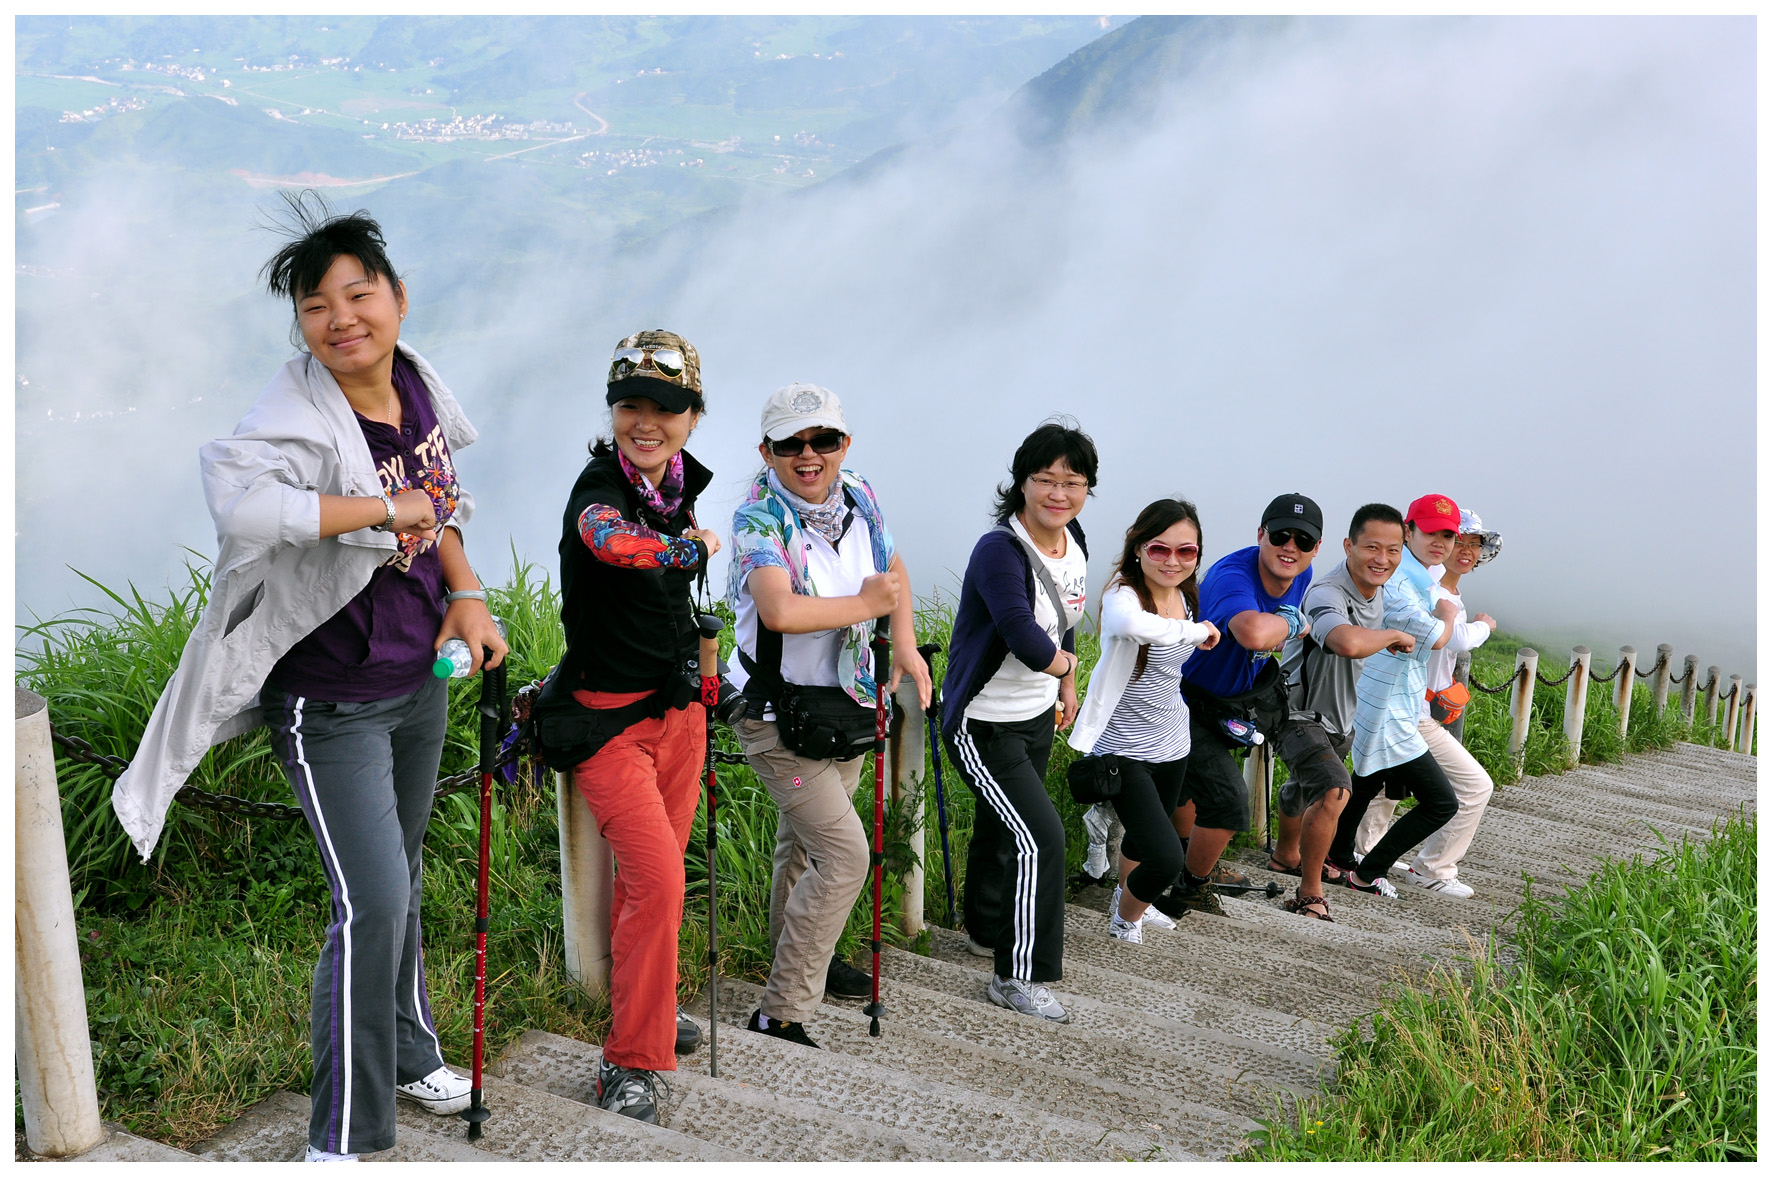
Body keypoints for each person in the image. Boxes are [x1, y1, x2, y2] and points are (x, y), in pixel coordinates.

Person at [111, 195, 507, 1162]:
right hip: (329, 702)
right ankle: (343, 1137)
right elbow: (240, 503)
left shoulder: (413, 385)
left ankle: (411, 1052)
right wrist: (375, 502)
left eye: (357, 294)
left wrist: (467, 593)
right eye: (315, 305)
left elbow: (441, 497)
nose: (340, 319)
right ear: (299, 325)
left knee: (401, 879)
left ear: (399, 300)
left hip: (418, 678)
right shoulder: (293, 409)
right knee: (369, 904)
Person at [727, 383, 932, 1048]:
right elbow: (778, 609)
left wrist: (902, 639)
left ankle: (799, 951)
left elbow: (892, 562)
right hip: (774, 714)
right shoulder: (758, 520)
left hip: (841, 703)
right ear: (767, 451)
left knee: (805, 847)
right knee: (845, 856)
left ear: (845, 444)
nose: (808, 455)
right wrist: (871, 605)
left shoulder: (859, 495)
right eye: (791, 443)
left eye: (824, 440)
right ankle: (781, 1007)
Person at [551, 329, 721, 1124]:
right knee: (655, 879)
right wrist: (685, 548)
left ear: (692, 416)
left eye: (666, 407)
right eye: (630, 405)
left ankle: (648, 1012)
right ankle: (630, 1059)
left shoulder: (673, 484)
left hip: (678, 711)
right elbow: (610, 544)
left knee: (658, 882)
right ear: (612, 410)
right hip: (607, 725)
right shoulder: (603, 491)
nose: (645, 421)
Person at [940, 422, 1096, 1022]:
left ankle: (984, 929)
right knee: (1041, 836)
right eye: (1045, 480)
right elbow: (1025, 635)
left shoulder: (1072, 538)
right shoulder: (999, 550)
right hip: (983, 723)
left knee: (1002, 827)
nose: (1059, 493)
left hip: (1033, 714)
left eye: (1073, 482)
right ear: (1021, 482)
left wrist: (1067, 681)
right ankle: (1018, 976)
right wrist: (1060, 663)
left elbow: (1067, 617)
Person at [1068, 499, 1220, 943]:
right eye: (1160, 549)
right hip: (1122, 747)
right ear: (1138, 548)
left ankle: (1131, 900)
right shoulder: (1123, 594)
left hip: (1172, 740)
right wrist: (1197, 631)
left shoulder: (1185, 595)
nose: (1173, 561)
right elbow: (1133, 626)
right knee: (1166, 855)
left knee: (1140, 839)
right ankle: (1125, 919)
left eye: (1186, 552)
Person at [1166, 494, 1322, 916]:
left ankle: (1185, 864)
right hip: (1180, 697)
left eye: (1303, 541)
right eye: (1281, 535)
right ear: (1261, 535)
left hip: (1225, 700)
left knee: (1188, 788)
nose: (1290, 546)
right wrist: (1294, 623)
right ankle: (1190, 887)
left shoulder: (1299, 576)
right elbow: (1254, 632)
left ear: (1316, 549)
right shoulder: (1232, 577)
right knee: (1228, 801)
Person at [1269, 504, 1421, 921]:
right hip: (1295, 714)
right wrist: (1388, 635)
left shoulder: (1377, 591)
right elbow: (1344, 642)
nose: (1382, 559)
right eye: (1371, 547)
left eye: (1393, 550)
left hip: (1338, 717)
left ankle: (1284, 856)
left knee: (1304, 789)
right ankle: (1310, 892)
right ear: (1348, 545)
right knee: (1336, 791)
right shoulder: (1326, 593)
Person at [1353, 507, 1502, 898]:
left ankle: (1365, 854)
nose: (1464, 550)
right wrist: (1484, 626)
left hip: (1409, 707)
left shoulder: (1437, 591)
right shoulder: (1428, 591)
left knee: (1384, 783)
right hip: (1406, 709)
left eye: (1470, 542)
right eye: (1458, 540)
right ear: (1413, 535)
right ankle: (1430, 867)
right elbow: (1451, 640)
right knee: (1470, 788)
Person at [1327, 494, 1463, 897]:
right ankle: (1368, 873)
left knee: (1367, 781)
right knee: (1442, 802)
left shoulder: (1415, 578)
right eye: (1428, 531)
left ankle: (1337, 859)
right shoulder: (1402, 581)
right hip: (1389, 704)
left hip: (1384, 697)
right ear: (1409, 530)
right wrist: (1449, 613)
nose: (1440, 542)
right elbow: (1437, 637)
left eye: (1448, 535)